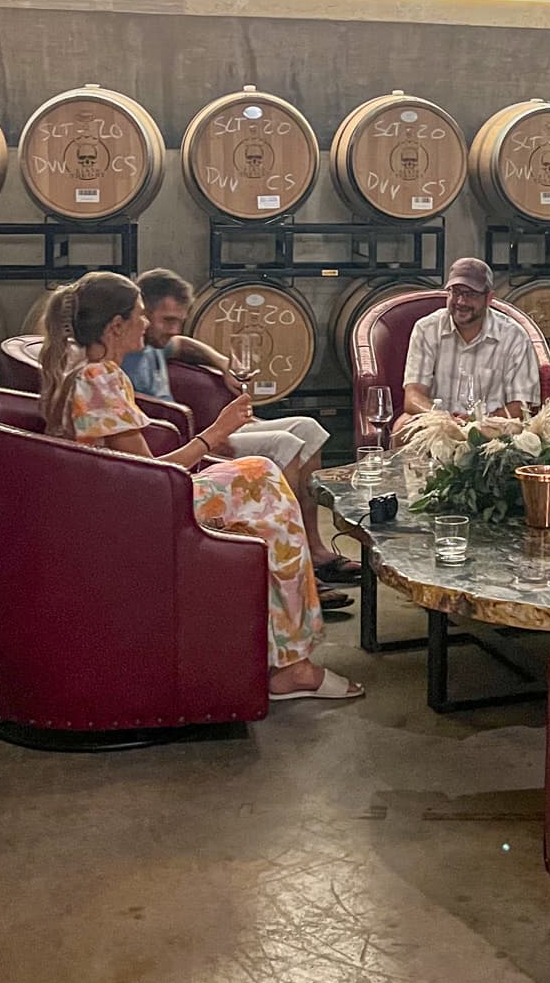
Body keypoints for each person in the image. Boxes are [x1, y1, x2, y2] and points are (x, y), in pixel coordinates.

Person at [40, 270, 362, 702]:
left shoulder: (83, 369)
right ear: (115, 326)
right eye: (139, 315)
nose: (147, 324)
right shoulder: (100, 378)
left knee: (262, 476)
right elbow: (147, 476)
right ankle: (294, 665)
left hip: (110, 501)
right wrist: (215, 432)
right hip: (130, 509)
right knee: (267, 489)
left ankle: (286, 651)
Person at [123, 267, 360, 595]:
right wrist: (215, 433)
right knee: (286, 443)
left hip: (201, 431)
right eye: (167, 320)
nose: (173, 329)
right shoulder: (125, 352)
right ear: (143, 314)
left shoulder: (155, 342)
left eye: (179, 320)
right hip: (190, 443)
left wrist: (223, 363)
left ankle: (315, 552)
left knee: (310, 428)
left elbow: (182, 345)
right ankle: (291, 566)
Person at [396, 258, 541, 436]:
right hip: (438, 426)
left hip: (493, 428)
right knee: (401, 427)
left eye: (471, 294)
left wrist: (477, 425)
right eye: (455, 292)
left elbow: (521, 406)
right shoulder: (426, 328)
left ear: (489, 298)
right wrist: (444, 419)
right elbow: (413, 397)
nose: (461, 301)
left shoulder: (514, 336)